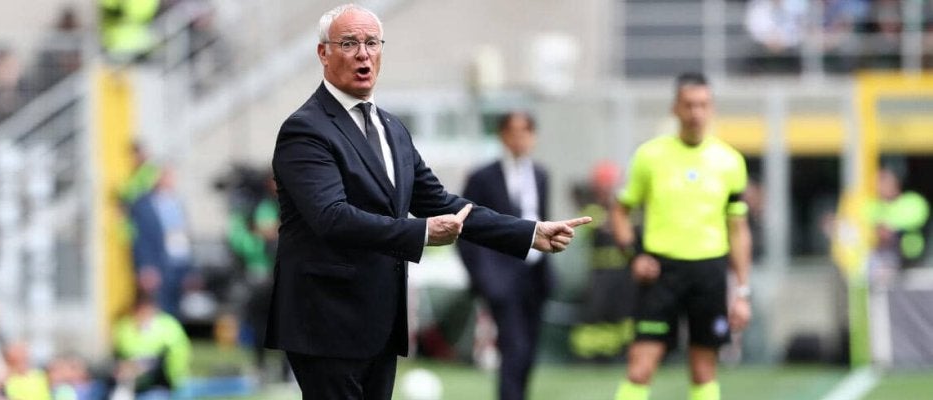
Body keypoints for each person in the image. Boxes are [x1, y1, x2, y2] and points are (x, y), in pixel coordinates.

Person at [265, 4, 591, 400]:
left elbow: (440, 201)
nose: (363, 54)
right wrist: (420, 232)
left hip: (380, 318)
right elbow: (331, 217)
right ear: (323, 53)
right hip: (326, 318)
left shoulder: (392, 128)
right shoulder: (305, 129)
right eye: (348, 43)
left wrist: (528, 232)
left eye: (372, 43)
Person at [611, 73, 752, 400]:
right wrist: (634, 256)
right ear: (675, 108)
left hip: (709, 272)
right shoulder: (649, 156)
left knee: (704, 371)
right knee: (640, 368)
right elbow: (620, 210)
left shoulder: (730, 161)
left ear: (712, 108)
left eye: (702, 105)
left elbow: (738, 229)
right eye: (688, 105)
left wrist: (742, 292)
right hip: (661, 274)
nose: (695, 113)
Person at [456, 111, 552, 400]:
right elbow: (466, 230)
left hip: (535, 276)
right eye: (514, 132)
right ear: (502, 136)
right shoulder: (483, 177)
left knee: (529, 349)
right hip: (501, 276)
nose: (520, 138)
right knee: (514, 346)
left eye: (526, 132)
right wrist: (484, 276)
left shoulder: (541, 175)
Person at [570, 161, 637, 362]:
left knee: (624, 315)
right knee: (596, 314)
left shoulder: (626, 209)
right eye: (606, 185)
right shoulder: (592, 210)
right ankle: (589, 355)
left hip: (624, 273)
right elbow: (589, 228)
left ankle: (622, 351)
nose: (610, 190)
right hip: (599, 273)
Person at [129, 169, 193, 317]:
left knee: (176, 309)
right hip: (157, 266)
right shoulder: (143, 204)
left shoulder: (177, 202)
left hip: (179, 264)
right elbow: (141, 238)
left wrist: (190, 268)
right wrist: (145, 266)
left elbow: (185, 235)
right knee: (159, 307)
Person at [111, 292, 191, 398]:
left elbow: (177, 356)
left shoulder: (168, 327)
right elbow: (119, 355)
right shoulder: (124, 327)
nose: (142, 316)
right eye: (140, 312)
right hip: (130, 381)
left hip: (161, 382)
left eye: (146, 312)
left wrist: (171, 378)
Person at [869, 167, 929, 283]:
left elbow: (917, 218)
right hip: (882, 260)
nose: (880, 187)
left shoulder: (912, 201)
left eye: (884, 182)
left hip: (912, 260)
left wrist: (890, 227)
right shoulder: (873, 206)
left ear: (895, 183)